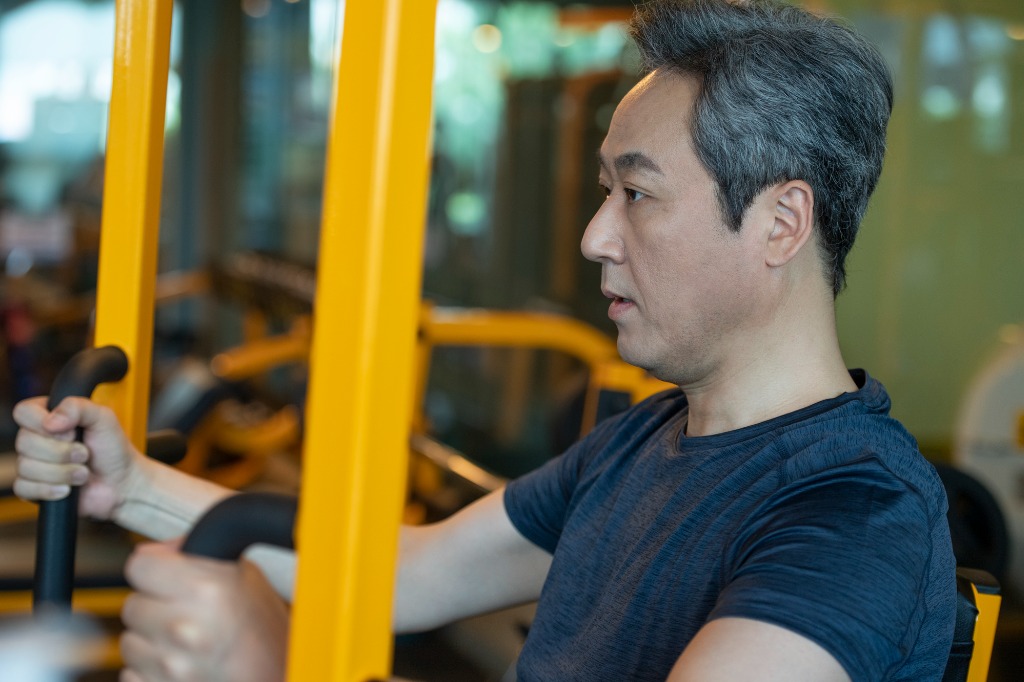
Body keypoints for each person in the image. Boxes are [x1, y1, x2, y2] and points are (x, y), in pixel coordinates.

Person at [12, 1, 956, 680]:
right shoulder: (642, 440)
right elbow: (403, 576)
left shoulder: (857, 516)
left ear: (782, 223)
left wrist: (279, 661)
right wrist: (128, 484)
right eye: (605, 191)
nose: (595, 236)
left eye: (637, 194)